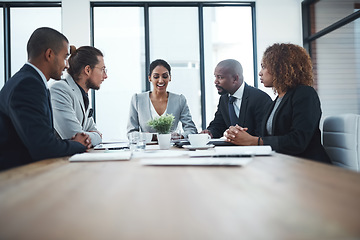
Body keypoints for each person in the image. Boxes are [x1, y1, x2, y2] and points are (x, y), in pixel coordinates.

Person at [0, 27, 91, 171]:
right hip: (15, 177)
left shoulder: (29, 80)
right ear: (49, 54)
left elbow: (41, 139)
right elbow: (43, 147)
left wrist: (69, 143)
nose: (66, 65)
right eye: (65, 57)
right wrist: (77, 144)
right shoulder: (28, 85)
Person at [224, 43, 331, 163]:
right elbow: (268, 138)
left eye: (264, 67)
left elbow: (298, 141)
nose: (260, 73)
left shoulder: (305, 94)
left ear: (280, 68)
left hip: (308, 166)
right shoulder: (276, 101)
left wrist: (253, 141)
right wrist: (240, 134)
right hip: (283, 164)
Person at [50, 46, 106, 147]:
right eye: (102, 69)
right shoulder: (60, 89)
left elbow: (94, 131)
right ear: (88, 70)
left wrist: (95, 135)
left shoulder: (82, 93)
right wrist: (95, 136)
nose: (105, 76)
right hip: (56, 161)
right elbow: (75, 137)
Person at [127, 59, 197, 138]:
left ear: (169, 78)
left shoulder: (179, 100)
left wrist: (180, 136)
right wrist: (149, 136)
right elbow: (131, 133)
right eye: (156, 77)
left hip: (172, 148)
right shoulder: (137, 100)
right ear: (150, 78)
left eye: (165, 76)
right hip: (147, 149)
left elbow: (191, 130)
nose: (160, 80)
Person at [201, 59, 271, 138]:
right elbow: (219, 124)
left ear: (235, 79)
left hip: (253, 148)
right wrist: (210, 132)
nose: (215, 81)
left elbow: (263, 133)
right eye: (215, 77)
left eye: (220, 77)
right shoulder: (224, 98)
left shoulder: (260, 99)